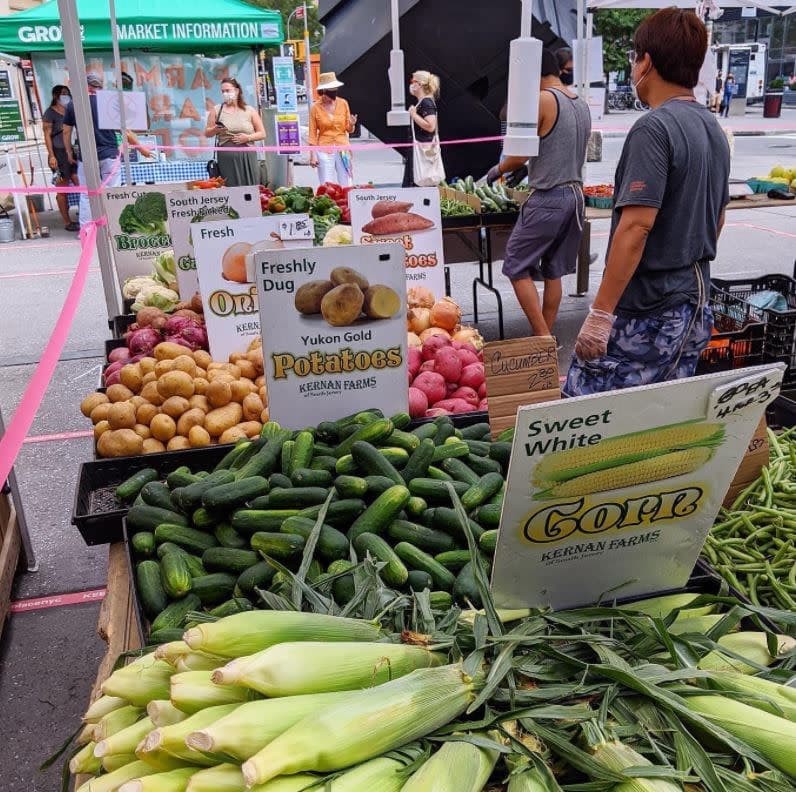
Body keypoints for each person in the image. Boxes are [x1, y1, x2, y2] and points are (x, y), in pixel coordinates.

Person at [565, 8, 730, 397]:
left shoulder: (654, 129)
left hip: (648, 311)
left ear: (647, 62)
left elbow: (636, 227)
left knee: (589, 419)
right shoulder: (713, 129)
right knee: (658, 422)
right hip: (694, 305)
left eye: (635, 57)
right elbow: (717, 218)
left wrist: (601, 313)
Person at [485, 48, 591, 337]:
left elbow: (519, 156)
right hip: (575, 197)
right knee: (554, 270)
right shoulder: (580, 102)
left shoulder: (543, 101)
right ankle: (544, 337)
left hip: (548, 198)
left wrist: (496, 171)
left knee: (516, 266)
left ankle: (542, 338)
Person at [63, 72, 154, 229]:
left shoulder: (74, 104)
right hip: (109, 154)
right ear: (99, 86)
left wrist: (69, 152)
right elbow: (124, 131)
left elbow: (66, 131)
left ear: (86, 86)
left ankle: (86, 230)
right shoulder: (107, 103)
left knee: (86, 194)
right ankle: (115, 227)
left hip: (86, 156)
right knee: (113, 192)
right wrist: (141, 148)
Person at [204, 78, 265, 187]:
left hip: (248, 156)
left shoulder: (249, 110)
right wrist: (215, 130)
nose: (225, 94)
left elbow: (262, 133)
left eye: (228, 90)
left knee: (251, 187)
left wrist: (248, 138)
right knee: (231, 188)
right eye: (223, 91)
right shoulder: (217, 110)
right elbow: (207, 133)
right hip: (226, 159)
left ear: (237, 91)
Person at [308, 72, 357, 186]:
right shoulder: (315, 108)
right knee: (326, 183)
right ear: (323, 92)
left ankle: (347, 202)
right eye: (331, 91)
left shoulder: (343, 103)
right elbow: (312, 134)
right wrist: (312, 155)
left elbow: (348, 129)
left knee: (347, 181)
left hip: (343, 147)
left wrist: (351, 124)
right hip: (324, 148)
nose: (334, 94)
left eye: (335, 90)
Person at [42, 85, 79, 232]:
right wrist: (51, 155)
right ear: (56, 96)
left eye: (67, 93)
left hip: (73, 151)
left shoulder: (71, 109)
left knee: (79, 181)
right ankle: (67, 221)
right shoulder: (50, 113)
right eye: (63, 93)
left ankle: (86, 215)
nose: (66, 95)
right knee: (62, 188)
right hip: (58, 154)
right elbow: (47, 135)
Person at [403, 70, 441, 187]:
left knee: (420, 185)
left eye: (412, 81)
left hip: (422, 152)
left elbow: (431, 126)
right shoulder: (423, 102)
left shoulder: (426, 103)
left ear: (419, 84)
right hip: (420, 150)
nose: (411, 84)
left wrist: (414, 115)